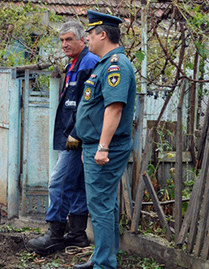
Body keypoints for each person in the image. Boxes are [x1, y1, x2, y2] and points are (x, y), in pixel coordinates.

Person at [27, 21, 99, 256]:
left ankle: (55, 235)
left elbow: (90, 106)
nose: (65, 44)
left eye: (69, 39)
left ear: (82, 40)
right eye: (61, 40)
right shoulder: (74, 64)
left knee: (58, 183)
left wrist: (76, 135)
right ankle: (77, 235)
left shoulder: (89, 64)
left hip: (78, 137)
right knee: (77, 185)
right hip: (72, 135)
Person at [73, 10, 136, 269]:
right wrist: (89, 144)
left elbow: (115, 108)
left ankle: (104, 264)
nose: (87, 38)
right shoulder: (103, 64)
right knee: (104, 205)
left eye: (89, 33)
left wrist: (101, 147)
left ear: (102, 34)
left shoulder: (116, 65)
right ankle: (102, 257)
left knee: (99, 205)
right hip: (95, 146)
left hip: (107, 148)